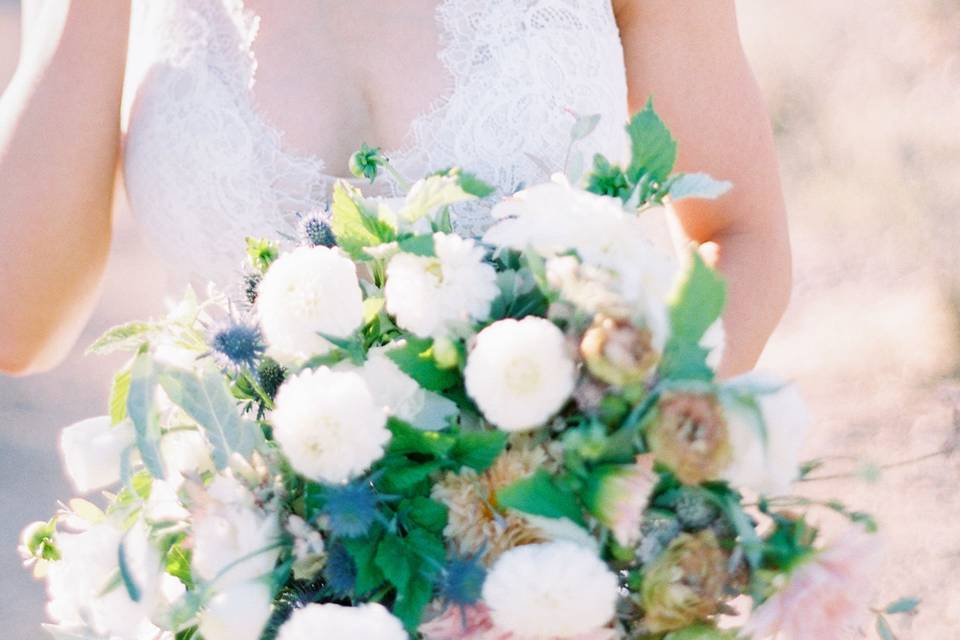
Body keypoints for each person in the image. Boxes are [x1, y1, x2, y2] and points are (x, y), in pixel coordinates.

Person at [0, 0, 791, 377]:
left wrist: (605, 437)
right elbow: (14, 322)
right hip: (264, 591)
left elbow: (741, 234)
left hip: (560, 578)